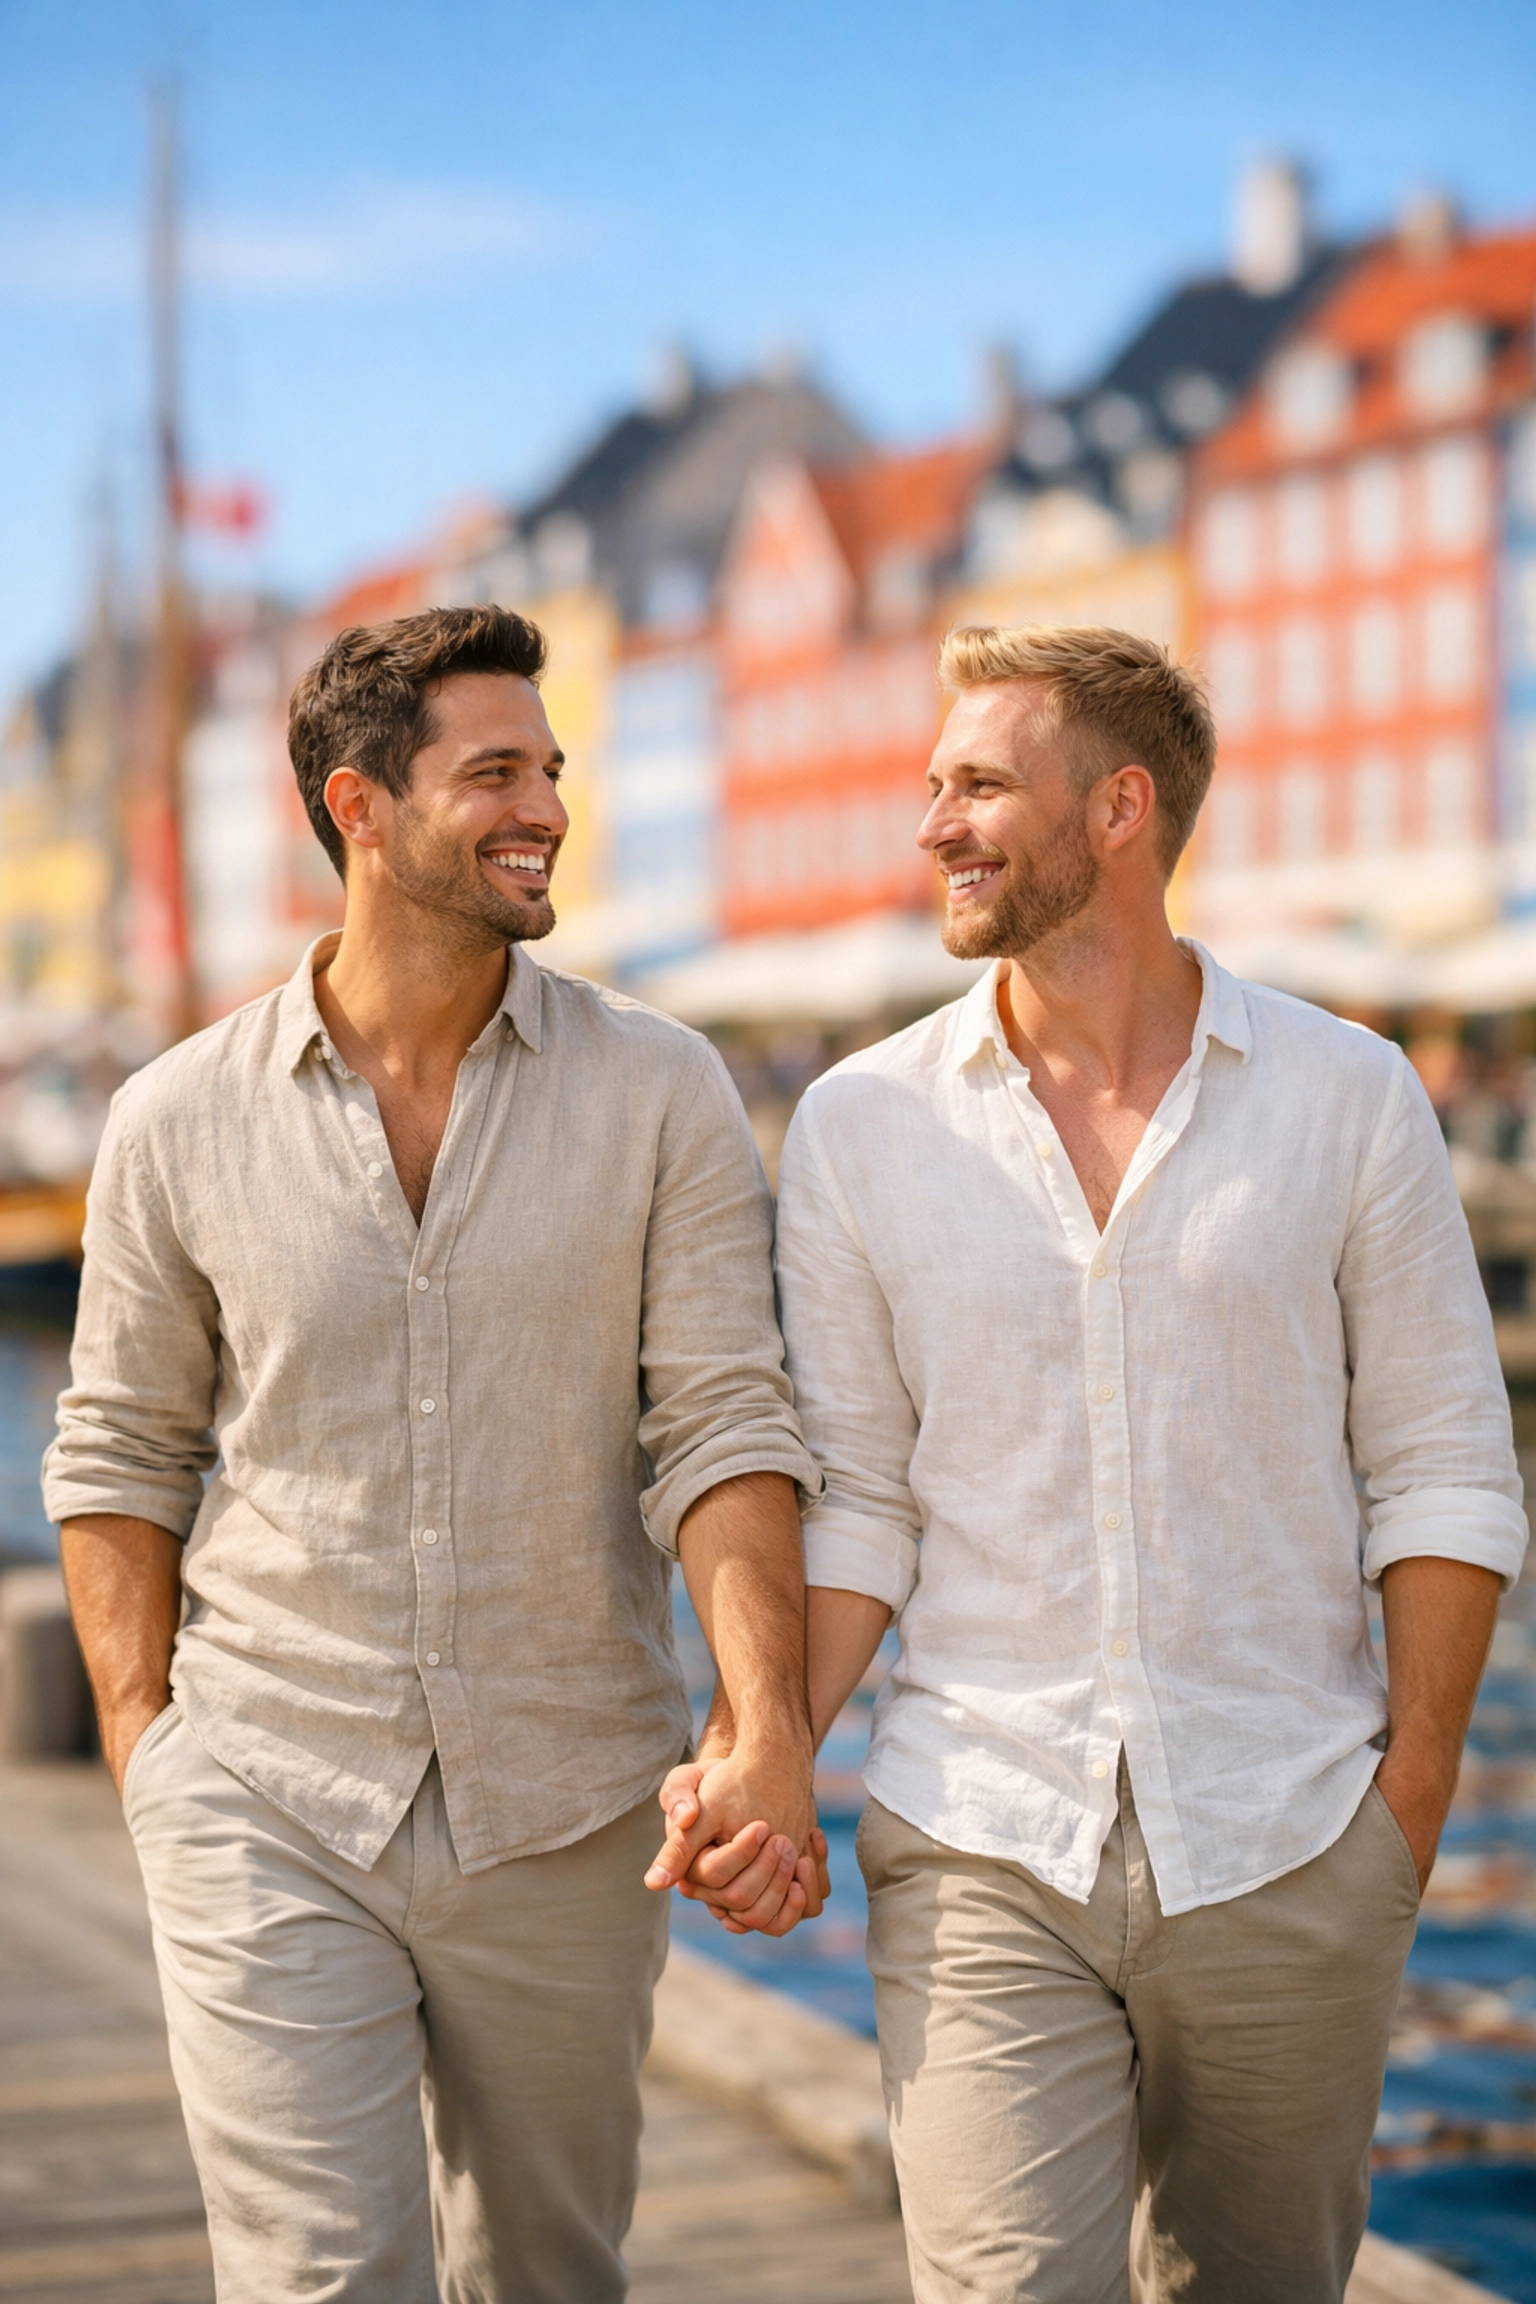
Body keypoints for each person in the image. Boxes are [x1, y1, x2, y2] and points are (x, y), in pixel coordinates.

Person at [45, 604, 824, 2304]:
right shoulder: (176, 1118)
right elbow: (118, 1448)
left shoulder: (666, 1093)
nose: (545, 804)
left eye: (551, 767)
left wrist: (762, 1726)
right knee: (324, 2276)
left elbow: (720, 1425)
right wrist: (144, 1749)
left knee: (547, 2270)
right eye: (496, 771)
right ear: (362, 808)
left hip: (568, 1803)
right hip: (263, 1786)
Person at [766, 623, 1526, 2302]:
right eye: (930, 785)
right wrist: (766, 1752)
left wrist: (1401, 1814)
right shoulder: (862, 1123)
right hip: (980, 1831)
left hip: (1292, 1830)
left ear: (1120, 808)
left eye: (976, 786)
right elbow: (863, 1500)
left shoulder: (1349, 1096)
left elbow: (1448, 1472)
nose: (933, 826)